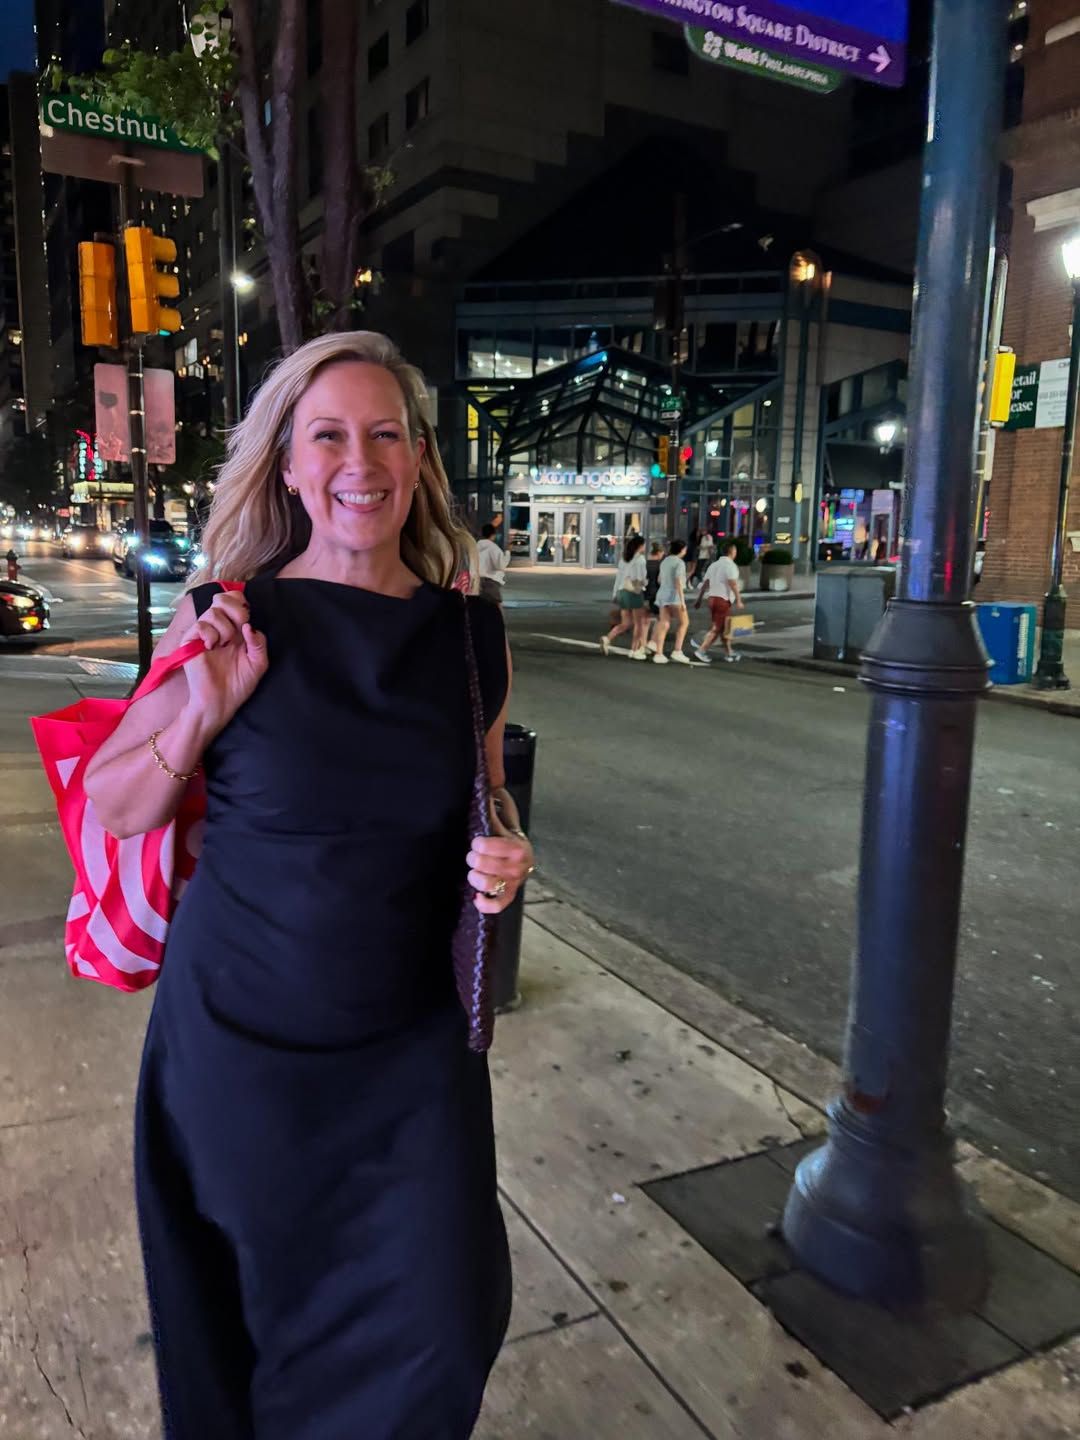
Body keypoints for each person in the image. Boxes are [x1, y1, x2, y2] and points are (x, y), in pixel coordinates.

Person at [83, 331, 532, 1438]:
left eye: (385, 435)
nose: (358, 463)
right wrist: (203, 707)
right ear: (287, 465)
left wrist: (508, 848)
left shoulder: (469, 633)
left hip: (410, 1050)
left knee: (444, 1323)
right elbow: (117, 803)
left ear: (419, 459)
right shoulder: (228, 613)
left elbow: (486, 793)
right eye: (328, 436)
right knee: (252, 1323)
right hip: (240, 1046)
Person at [693, 538, 745, 664]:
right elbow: (733, 583)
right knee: (717, 628)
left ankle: (729, 652)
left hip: (712, 598)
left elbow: (705, 583)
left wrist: (699, 599)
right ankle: (701, 650)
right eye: (735, 551)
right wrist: (739, 599)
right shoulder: (730, 566)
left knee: (724, 626)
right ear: (732, 552)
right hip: (723, 599)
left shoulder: (714, 565)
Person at [601, 534, 649, 659]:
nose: (645, 547)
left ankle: (608, 638)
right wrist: (645, 584)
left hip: (622, 591)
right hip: (634, 592)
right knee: (639, 623)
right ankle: (634, 650)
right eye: (643, 545)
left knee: (626, 623)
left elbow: (619, 577)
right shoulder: (640, 560)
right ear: (640, 546)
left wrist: (614, 593)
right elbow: (640, 578)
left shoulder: (624, 558)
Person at [651, 539, 691, 665]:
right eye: (685, 549)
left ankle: (659, 653)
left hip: (663, 595)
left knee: (664, 623)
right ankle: (677, 651)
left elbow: (659, 579)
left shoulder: (665, 561)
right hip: (675, 597)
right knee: (684, 623)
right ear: (681, 550)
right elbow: (678, 581)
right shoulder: (679, 563)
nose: (685, 551)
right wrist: (683, 601)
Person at [477, 520, 509, 604]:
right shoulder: (494, 548)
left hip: (476, 581)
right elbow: (501, 565)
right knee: (496, 605)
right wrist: (507, 553)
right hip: (491, 582)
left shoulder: (475, 546)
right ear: (493, 535)